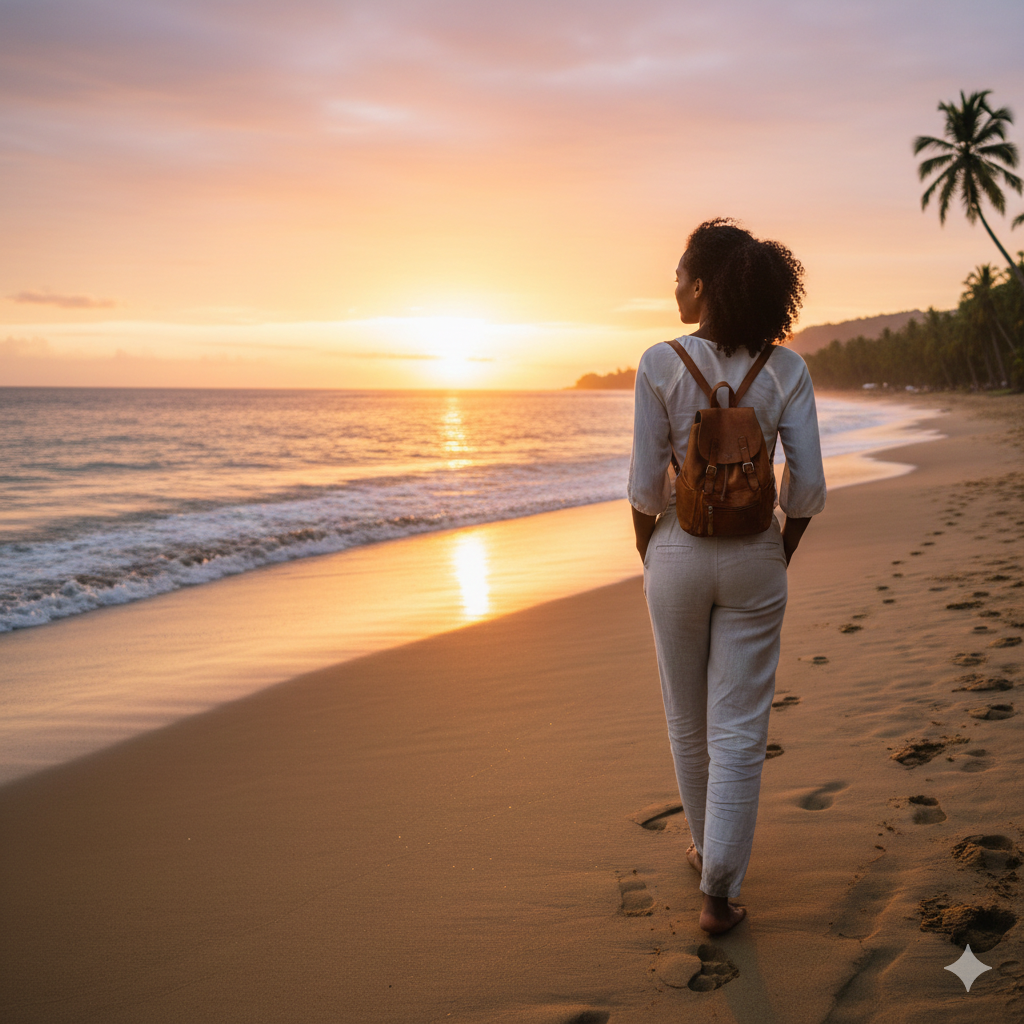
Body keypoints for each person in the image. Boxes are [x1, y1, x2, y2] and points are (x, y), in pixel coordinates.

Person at [628, 218, 826, 935]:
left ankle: (707, 850)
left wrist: (653, 554)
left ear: (704, 284)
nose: (674, 286)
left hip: (677, 553)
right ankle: (719, 891)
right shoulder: (787, 369)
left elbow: (645, 487)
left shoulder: (658, 362)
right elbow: (806, 484)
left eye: (680, 274)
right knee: (740, 728)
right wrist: (778, 550)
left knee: (687, 718)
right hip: (756, 559)